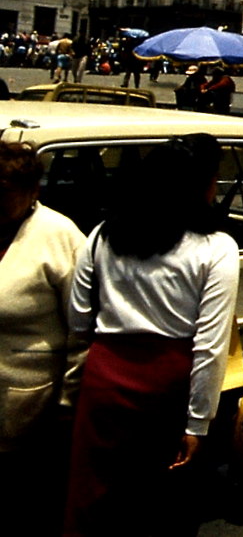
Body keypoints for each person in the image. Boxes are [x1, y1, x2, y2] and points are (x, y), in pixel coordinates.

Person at [65, 134, 238, 536]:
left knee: (95, 498)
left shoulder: (104, 235)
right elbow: (209, 348)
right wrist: (198, 425)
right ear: (202, 187)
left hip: (104, 380)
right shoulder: (216, 248)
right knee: (157, 506)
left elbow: (78, 320)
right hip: (167, 388)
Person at [0, 141, 87, 536]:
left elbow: (82, 330)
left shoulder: (59, 235)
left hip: (28, 405)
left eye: (4, 192)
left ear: (33, 191)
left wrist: (68, 401)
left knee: (23, 504)